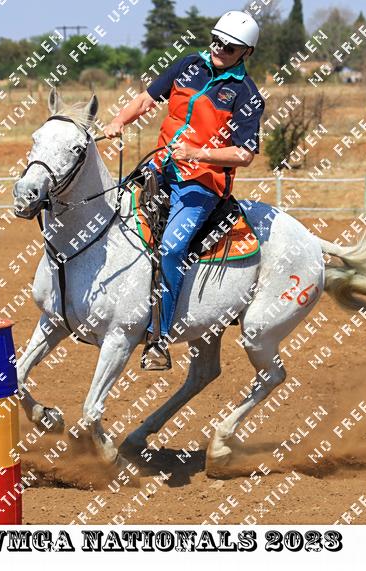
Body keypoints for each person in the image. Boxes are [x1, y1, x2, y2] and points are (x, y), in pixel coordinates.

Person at [104, 10, 266, 370]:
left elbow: (244, 154)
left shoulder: (246, 94)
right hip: (159, 168)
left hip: (202, 185)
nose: (219, 49)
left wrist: (197, 153)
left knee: (172, 247)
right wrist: (118, 120)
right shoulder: (188, 65)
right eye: (216, 40)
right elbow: (146, 99)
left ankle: (158, 339)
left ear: (246, 52)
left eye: (230, 46)